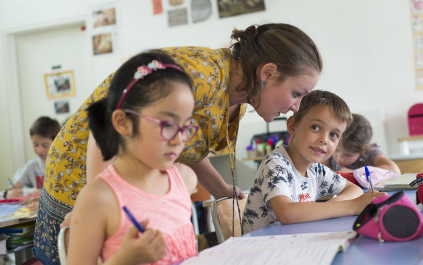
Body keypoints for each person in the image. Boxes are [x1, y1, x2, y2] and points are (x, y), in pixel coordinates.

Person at [34, 23, 322, 264]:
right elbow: (107, 120)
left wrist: (219, 188)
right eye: (297, 94)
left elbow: (186, 146)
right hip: (81, 180)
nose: (296, 107)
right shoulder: (202, 74)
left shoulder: (237, 97)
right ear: (268, 73)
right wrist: (108, 198)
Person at [67, 51, 198, 264]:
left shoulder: (184, 180)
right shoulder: (98, 199)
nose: (178, 140)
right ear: (122, 122)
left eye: (185, 127)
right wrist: (124, 260)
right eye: (168, 125)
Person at [242, 91, 386, 234]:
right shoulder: (276, 164)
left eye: (333, 135)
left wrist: (334, 204)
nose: (324, 139)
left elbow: (354, 189)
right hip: (262, 249)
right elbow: (286, 213)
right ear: (293, 126)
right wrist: (351, 207)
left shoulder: (316, 170)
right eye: (315, 127)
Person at [323, 113, 401, 174]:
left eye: (348, 155)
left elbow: (395, 171)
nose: (339, 158)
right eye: (336, 150)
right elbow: (314, 168)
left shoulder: (370, 153)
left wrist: (354, 173)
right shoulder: (330, 150)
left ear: (363, 150)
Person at [4, 116, 60, 199]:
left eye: (45, 145)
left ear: (56, 142)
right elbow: (12, 188)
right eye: (35, 144)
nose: (39, 150)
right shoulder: (32, 166)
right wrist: (8, 193)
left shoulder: (61, 165)